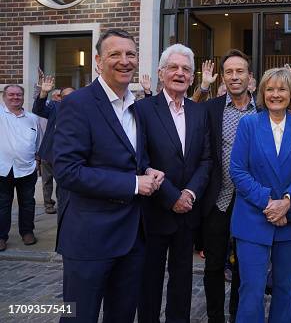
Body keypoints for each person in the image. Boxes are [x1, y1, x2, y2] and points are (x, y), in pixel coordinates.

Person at [53, 28, 164, 322]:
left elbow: (130, 159)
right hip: (90, 239)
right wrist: (133, 184)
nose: (124, 61)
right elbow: (67, 171)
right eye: (115, 54)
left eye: (130, 54)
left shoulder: (136, 108)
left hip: (131, 239)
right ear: (98, 61)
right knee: (79, 317)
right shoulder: (78, 104)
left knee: (122, 316)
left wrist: (147, 170)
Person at [136, 44, 212, 322]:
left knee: (182, 281)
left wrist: (189, 193)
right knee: (149, 281)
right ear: (160, 73)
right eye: (173, 68)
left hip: (187, 214)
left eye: (186, 70)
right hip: (154, 211)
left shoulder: (199, 112)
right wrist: (171, 197)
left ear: (192, 78)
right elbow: (141, 159)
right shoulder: (142, 110)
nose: (180, 73)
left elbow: (206, 160)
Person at [229, 67, 291, 323]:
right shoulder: (248, 123)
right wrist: (269, 203)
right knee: (251, 290)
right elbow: (237, 170)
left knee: (285, 289)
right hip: (252, 217)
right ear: (262, 93)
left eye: (281, 89)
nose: (275, 94)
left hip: (289, 221)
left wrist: (287, 203)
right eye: (269, 89)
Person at [201, 49, 255, 323]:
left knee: (244, 267)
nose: (235, 77)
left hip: (251, 203)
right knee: (213, 266)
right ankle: (215, 317)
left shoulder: (265, 110)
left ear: (250, 77)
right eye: (229, 72)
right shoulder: (210, 110)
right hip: (218, 201)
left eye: (240, 71)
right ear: (223, 77)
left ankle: (237, 315)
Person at [0, 85, 42, 251]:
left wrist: (37, 159)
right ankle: (1, 236)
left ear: (23, 97)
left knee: (27, 203)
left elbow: (38, 141)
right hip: (3, 168)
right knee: (3, 204)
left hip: (27, 168)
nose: (15, 97)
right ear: (4, 96)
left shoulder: (32, 118)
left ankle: (27, 232)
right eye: (11, 94)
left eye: (19, 94)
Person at [33, 77, 75, 217]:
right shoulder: (54, 107)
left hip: (66, 156)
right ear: (60, 98)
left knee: (63, 185)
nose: (70, 99)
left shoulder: (82, 110)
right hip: (48, 153)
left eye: (72, 96)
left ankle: (63, 207)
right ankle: (48, 204)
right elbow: (38, 109)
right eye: (66, 96)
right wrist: (43, 93)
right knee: (46, 182)